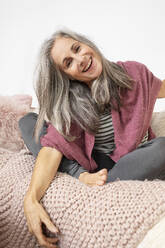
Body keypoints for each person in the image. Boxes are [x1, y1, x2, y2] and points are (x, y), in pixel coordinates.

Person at [19, 29, 165, 248]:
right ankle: (81, 175)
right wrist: (30, 199)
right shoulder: (70, 102)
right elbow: (53, 148)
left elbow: (161, 88)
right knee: (28, 121)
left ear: (86, 43)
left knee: (162, 147)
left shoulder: (133, 73)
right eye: (68, 63)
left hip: (134, 160)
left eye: (77, 49)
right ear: (66, 76)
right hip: (95, 163)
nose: (81, 60)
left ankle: (100, 181)